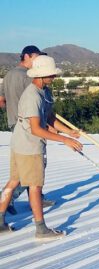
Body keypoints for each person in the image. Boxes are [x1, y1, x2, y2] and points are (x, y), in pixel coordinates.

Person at [0, 55, 83, 239]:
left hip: (20, 143)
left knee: (14, 180)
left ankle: (0, 222)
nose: (54, 77)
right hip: (29, 147)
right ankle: (41, 229)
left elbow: (50, 116)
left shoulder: (43, 91)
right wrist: (64, 141)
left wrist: (68, 131)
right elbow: (37, 129)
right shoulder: (32, 96)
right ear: (41, 75)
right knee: (35, 186)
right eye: (51, 75)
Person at [0, 46, 55, 215]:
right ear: (26, 56)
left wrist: (12, 113)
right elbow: (38, 103)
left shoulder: (8, 75)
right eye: (36, 58)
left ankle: (10, 202)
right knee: (34, 170)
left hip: (15, 123)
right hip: (29, 126)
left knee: (21, 172)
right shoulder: (28, 77)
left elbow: (1, 100)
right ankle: (24, 200)